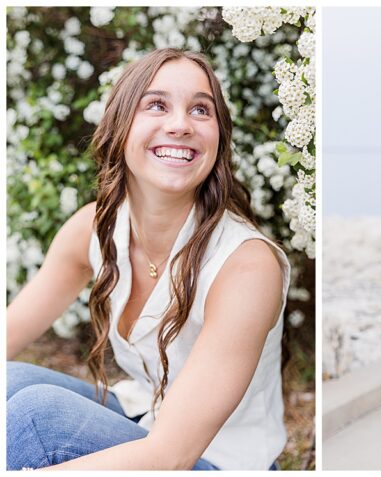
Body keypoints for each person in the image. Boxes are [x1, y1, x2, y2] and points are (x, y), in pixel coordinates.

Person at [6, 48, 290, 471]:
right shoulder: (95, 228)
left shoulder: (246, 266)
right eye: (156, 105)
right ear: (121, 127)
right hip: (145, 416)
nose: (180, 125)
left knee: (35, 418)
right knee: (10, 382)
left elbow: (170, 456)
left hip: (214, 460)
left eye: (200, 110)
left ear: (218, 138)